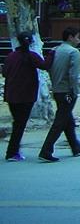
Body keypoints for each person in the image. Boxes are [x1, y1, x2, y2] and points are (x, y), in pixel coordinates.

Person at [2, 31, 54, 161]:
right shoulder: (31, 56)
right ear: (31, 42)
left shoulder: (11, 56)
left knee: (17, 123)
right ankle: (12, 152)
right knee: (19, 125)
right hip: (26, 96)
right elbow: (45, 65)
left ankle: (13, 150)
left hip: (12, 95)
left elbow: (4, 73)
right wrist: (51, 54)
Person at [38, 27, 80, 162]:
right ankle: (46, 150)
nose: (78, 40)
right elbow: (74, 75)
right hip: (67, 90)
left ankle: (75, 146)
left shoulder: (55, 50)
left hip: (57, 89)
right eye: (77, 37)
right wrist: (75, 91)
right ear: (70, 37)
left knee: (67, 119)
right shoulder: (73, 52)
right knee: (60, 121)